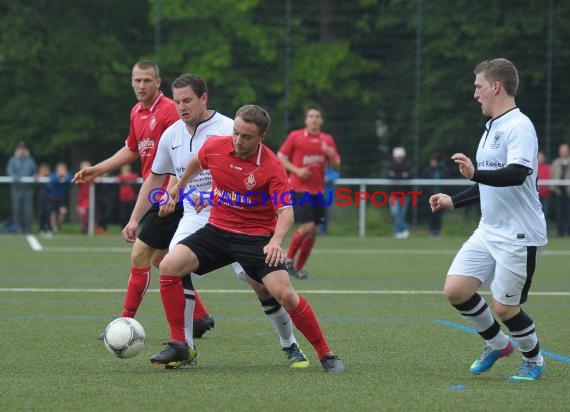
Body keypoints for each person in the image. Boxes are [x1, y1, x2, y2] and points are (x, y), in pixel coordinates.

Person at [123, 74, 309, 368]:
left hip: (241, 219)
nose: (182, 107)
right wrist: (149, 209)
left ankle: (290, 344)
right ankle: (185, 347)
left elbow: (256, 180)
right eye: (178, 101)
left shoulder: (228, 128)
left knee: (261, 284)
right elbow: (157, 177)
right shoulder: (171, 134)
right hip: (196, 217)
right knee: (172, 265)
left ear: (203, 98)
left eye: (188, 101)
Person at [149, 104, 345, 373]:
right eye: (236, 133)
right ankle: (181, 345)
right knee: (169, 264)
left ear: (261, 137)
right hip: (217, 231)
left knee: (284, 294)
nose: (238, 141)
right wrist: (176, 189)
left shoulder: (272, 166)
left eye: (246, 137)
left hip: (256, 238)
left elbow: (285, 212)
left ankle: (326, 355)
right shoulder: (216, 146)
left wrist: (275, 241)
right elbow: (196, 161)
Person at [72, 60, 214, 339]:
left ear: (158, 82)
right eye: (136, 80)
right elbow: (131, 149)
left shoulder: (170, 111)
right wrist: (98, 170)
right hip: (156, 193)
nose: (140, 85)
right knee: (162, 258)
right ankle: (199, 317)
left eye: (147, 80)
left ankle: (124, 323)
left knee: (140, 254)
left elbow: (182, 155)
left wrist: (171, 193)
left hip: (169, 194)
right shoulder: (137, 112)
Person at [429, 58, 547, 381]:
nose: (475, 94)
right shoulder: (491, 128)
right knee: (456, 289)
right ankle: (497, 344)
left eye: (478, 87)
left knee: (505, 308)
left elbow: (517, 174)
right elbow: (488, 185)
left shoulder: (519, 126)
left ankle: (534, 361)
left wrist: (475, 173)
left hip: (519, 235)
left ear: (495, 86)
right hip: (489, 230)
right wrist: (454, 200)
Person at [277, 105, 341, 279]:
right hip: (299, 188)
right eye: (311, 116)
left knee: (313, 232)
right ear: (306, 120)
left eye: (317, 116)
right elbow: (280, 158)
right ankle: (288, 259)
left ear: (321, 120)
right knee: (308, 226)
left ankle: (297, 267)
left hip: (318, 191)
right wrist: (297, 171)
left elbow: (336, 165)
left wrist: (331, 155)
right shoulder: (296, 137)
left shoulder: (327, 140)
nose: (314, 119)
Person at [6, 141, 37, 233]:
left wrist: (35, 176)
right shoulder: (12, 160)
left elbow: (34, 171)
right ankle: (18, 228)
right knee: (17, 209)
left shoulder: (30, 160)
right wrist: (16, 178)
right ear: (17, 150)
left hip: (28, 189)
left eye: (23, 149)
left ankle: (28, 228)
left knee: (28, 210)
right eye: (20, 149)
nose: (22, 151)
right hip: (16, 188)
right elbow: (9, 171)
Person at [385, 146, 412, 239]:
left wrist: (395, 175)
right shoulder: (390, 166)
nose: (399, 159)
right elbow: (388, 176)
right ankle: (403, 230)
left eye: (400, 157)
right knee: (395, 212)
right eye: (397, 157)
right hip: (393, 194)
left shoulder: (407, 166)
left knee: (402, 214)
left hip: (405, 194)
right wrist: (401, 175)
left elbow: (409, 176)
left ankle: (398, 232)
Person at [421, 153, 448, 237]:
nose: (432, 163)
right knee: (431, 214)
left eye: (434, 161)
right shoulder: (427, 170)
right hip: (430, 196)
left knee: (438, 215)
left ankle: (437, 231)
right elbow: (424, 184)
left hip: (440, 196)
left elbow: (446, 183)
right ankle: (431, 231)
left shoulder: (443, 170)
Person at [550, 143, 570, 237]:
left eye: (565, 150)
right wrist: (553, 188)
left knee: (568, 212)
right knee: (559, 212)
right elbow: (552, 176)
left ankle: (568, 232)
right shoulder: (555, 162)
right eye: (562, 150)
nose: (564, 152)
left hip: (568, 191)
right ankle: (560, 232)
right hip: (558, 192)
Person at [48, 162, 72, 233]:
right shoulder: (54, 174)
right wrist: (58, 176)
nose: (61, 170)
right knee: (53, 213)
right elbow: (51, 181)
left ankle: (58, 226)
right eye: (60, 169)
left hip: (63, 197)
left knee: (63, 212)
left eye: (63, 169)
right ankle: (53, 228)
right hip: (54, 197)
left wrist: (65, 176)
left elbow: (71, 181)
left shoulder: (68, 174)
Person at [319, 165, 340, 234]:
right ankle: (319, 231)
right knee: (319, 214)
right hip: (317, 195)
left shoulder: (328, 169)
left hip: (328, 196)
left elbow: (337, 175)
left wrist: (327, 178)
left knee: (326, 214)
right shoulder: (316, 169)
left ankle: (323, 231)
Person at [36, 162, 53, 237]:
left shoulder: (51, 177)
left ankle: (49, 229)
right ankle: (41, 229)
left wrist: (47, 177)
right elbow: (35, 186)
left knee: (48, 214)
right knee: (41, 214)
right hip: (41, 198)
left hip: (49, 199)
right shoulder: (38, 177)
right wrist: (38, 178)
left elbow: (50, 187)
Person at [75, 160, 92, 234]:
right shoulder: (79, 176)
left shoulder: (93, 175)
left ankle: (89, 228)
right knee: (82, 214)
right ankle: (84, 228)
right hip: (82, 198)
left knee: (87, 214)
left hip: (90, 198)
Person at [537, 151, 551, 225]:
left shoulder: (548, 167)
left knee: (545, 213)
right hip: (536, 196)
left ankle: (546, 230)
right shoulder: (534, 167)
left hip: (545, 195)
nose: (540, 158)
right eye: (539, 156)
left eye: (541, 156)